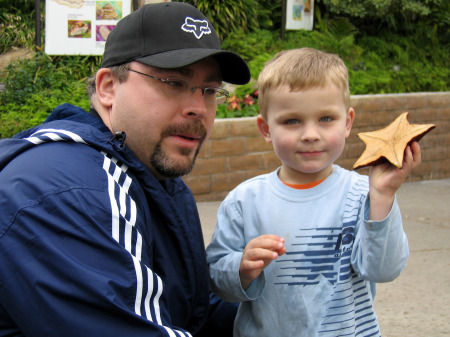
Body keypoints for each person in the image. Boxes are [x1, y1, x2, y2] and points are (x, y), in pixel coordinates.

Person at [0, 2, 250, 336]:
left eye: (209, 90)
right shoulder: (63, 191)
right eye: (174, 82)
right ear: (107, 88)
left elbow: (192, 309)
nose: (198, 108)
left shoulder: (160, 181)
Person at [206, 48, 421, 337]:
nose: (310, 134)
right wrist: (241, 268)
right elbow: (216, 277)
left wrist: (382, 196)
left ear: (347, 122)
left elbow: (384, 270)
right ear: (265, 128)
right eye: (292, 121)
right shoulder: (244, 202)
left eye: (326, 119)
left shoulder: (363, 194)